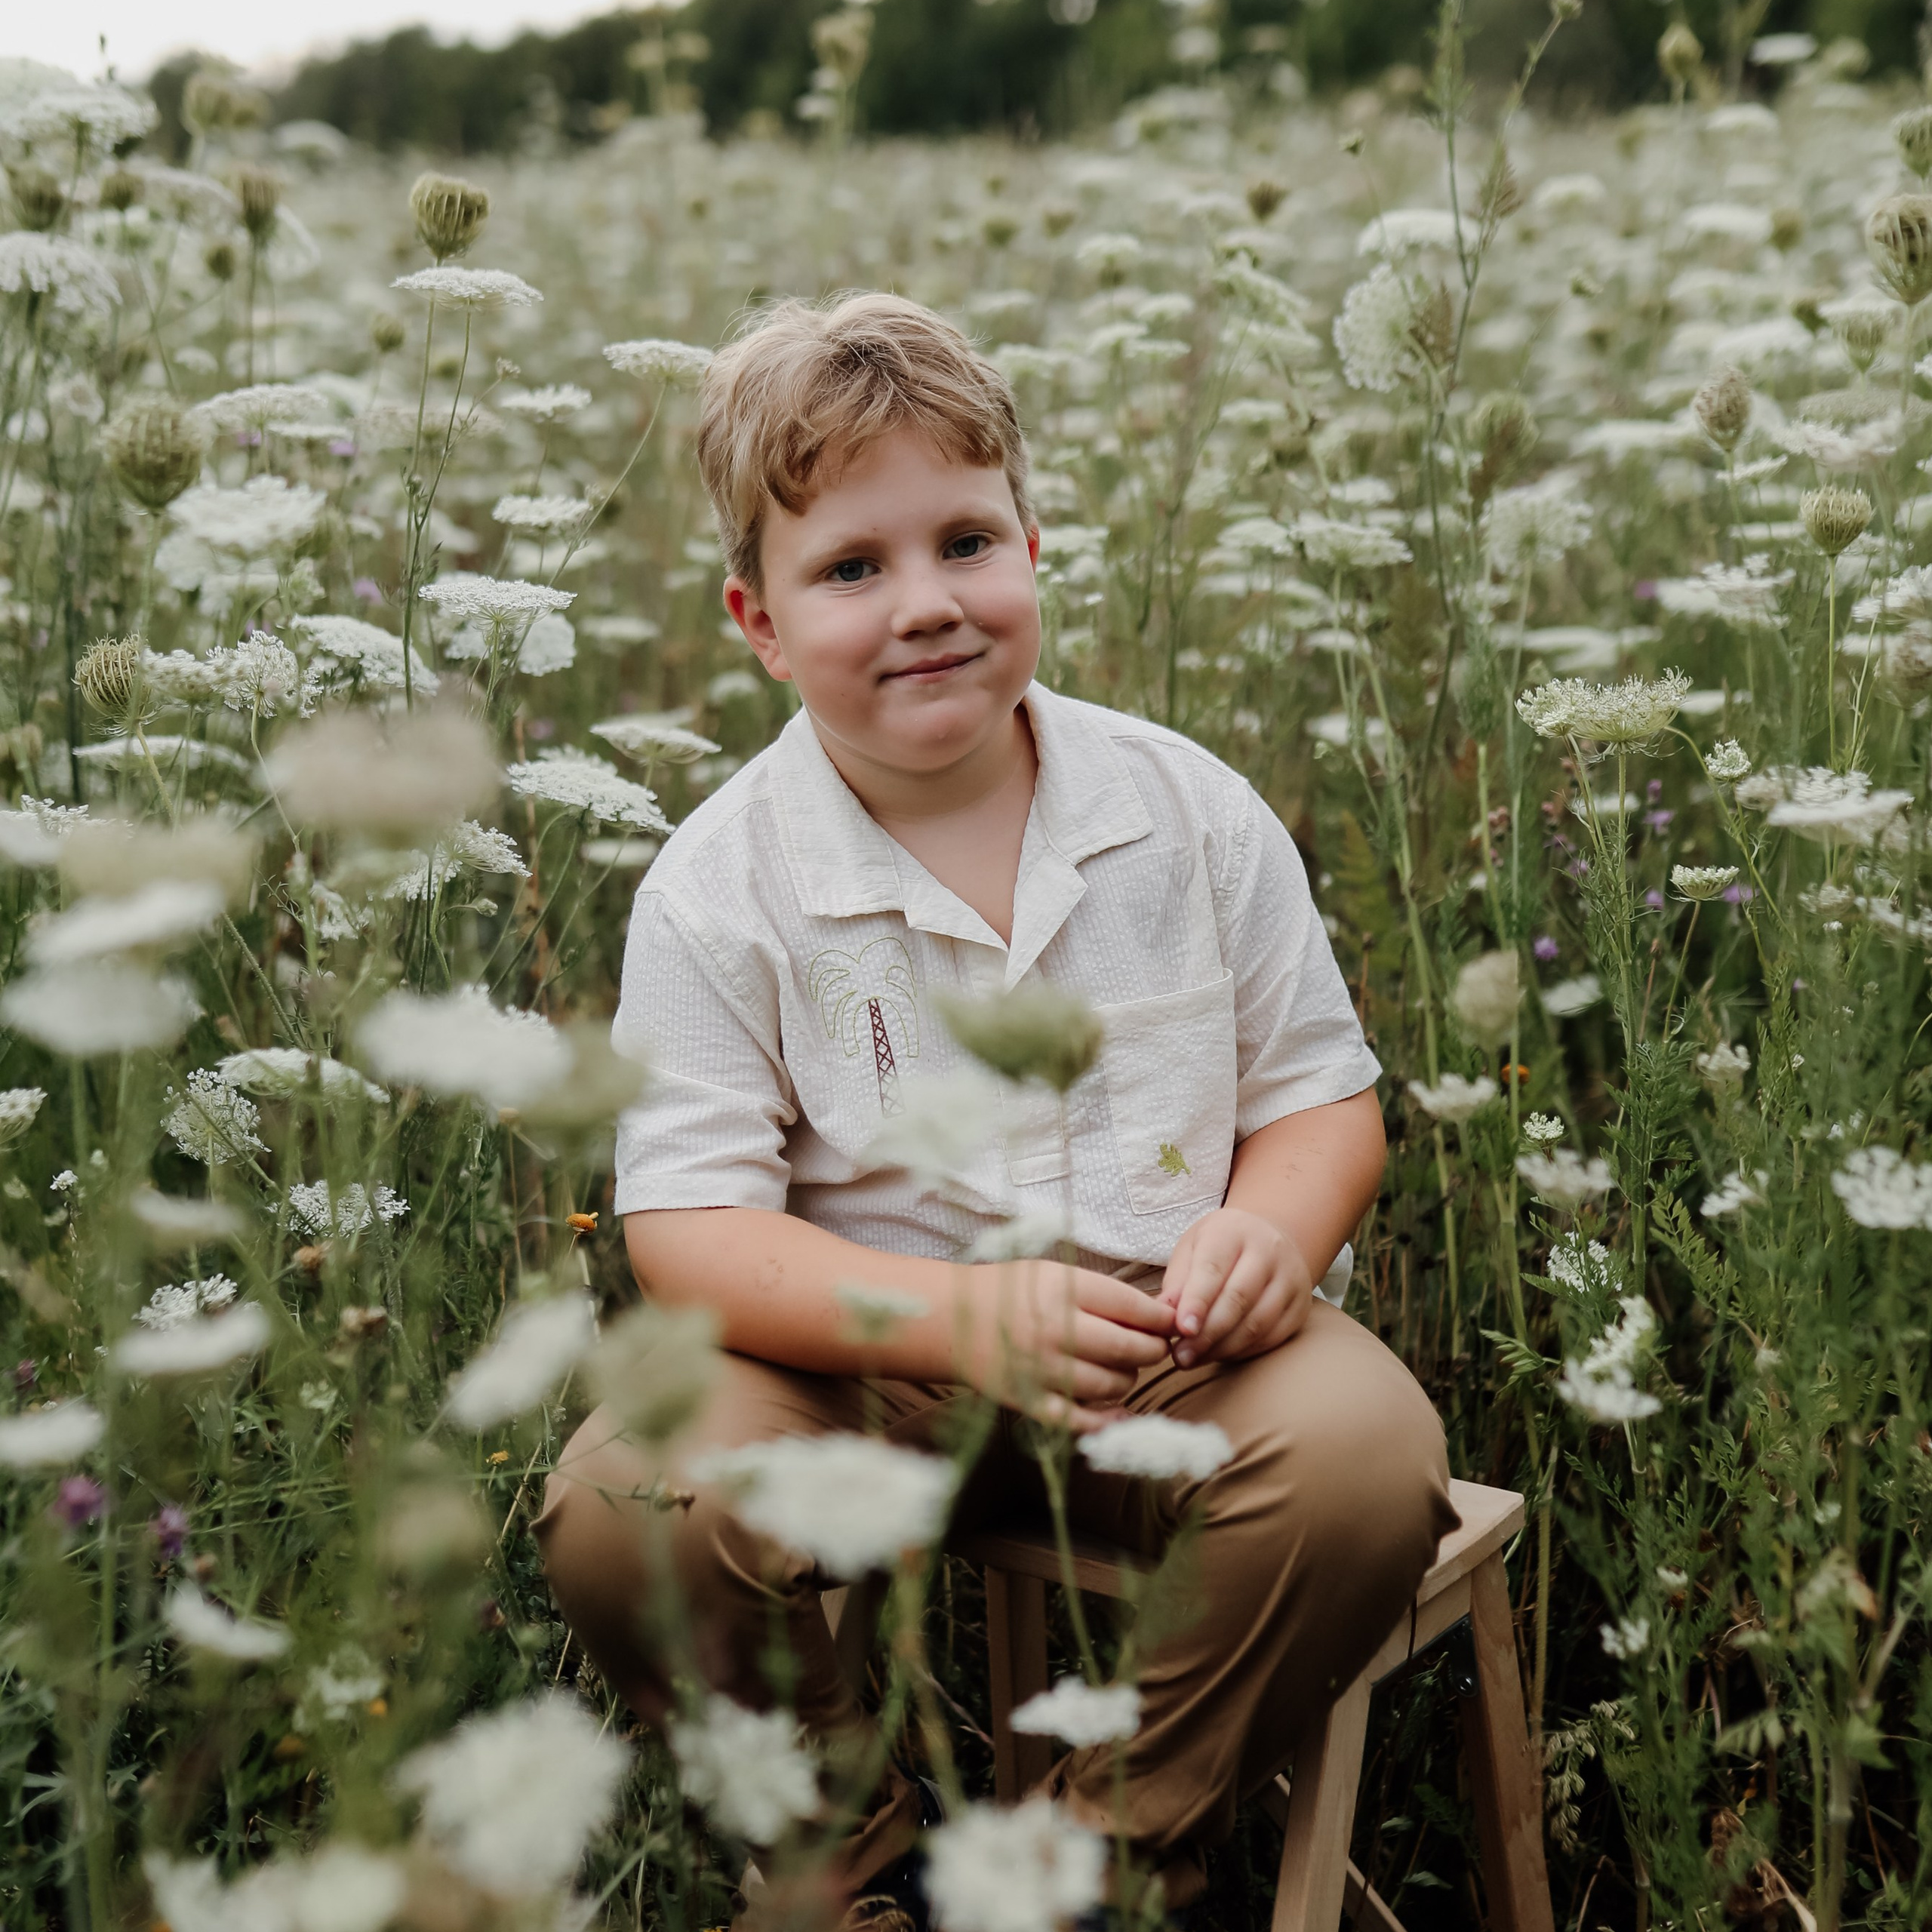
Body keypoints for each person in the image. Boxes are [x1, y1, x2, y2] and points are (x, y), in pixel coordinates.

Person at [533, 291, 1457, 1929]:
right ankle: (851, 1848)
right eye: (850, 569)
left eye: (965, 541)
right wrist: (947, 1314)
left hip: (1166, 1349)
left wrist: (1268, 1225)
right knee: (627, 1505)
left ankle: (1101, 1858)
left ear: (1034, 544)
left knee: (1366, 1457)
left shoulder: (1184, 810)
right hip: (855, 1371)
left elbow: (1322, 1095)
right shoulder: (718, 884)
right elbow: (685, 1228)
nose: (924, 606)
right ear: (757, 620)